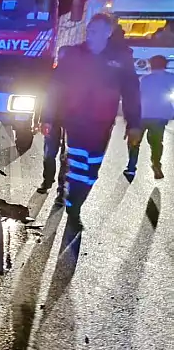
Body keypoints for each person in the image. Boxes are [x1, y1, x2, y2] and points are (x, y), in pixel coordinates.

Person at [41, 13, 142, 229]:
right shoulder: (74, 54)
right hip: (75, 121)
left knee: (92, 171)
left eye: (96, 30)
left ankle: (76, 200)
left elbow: (131, 91)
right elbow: (55, 86)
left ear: (108, 32)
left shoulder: (121, 57)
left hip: (102, 125)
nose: (91, 34)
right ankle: (73, 210)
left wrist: (134, 123)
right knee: (78, 165)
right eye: (89, 30)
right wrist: (47, 116)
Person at [124, 55, 174, 179]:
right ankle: (156, 163)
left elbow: (135, 99)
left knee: (134, 142)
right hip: (160, 116)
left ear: (151, 65)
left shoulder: (144, 79)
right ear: (165, 65)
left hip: (142, 115)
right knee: (157, 142)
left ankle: (131, 167)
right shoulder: (171, 78)